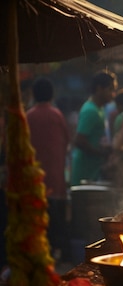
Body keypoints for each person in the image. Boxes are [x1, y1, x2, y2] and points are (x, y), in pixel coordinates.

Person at [26, 77, 71, 260]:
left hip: (34, 175)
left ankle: (39, 249)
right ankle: (56, 251)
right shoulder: (57, 115)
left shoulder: (28, 116)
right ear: (52, 95)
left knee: (37, 216)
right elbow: (67, 140)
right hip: (54, 173)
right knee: (55, 217)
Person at [70, 70, 117, 186]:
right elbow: (79, 141)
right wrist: (101, 153)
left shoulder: (99, 109)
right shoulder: (90, 110)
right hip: (84, 171)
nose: (113, 94)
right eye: (110, 89)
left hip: (93, 170)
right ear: (99, 88)